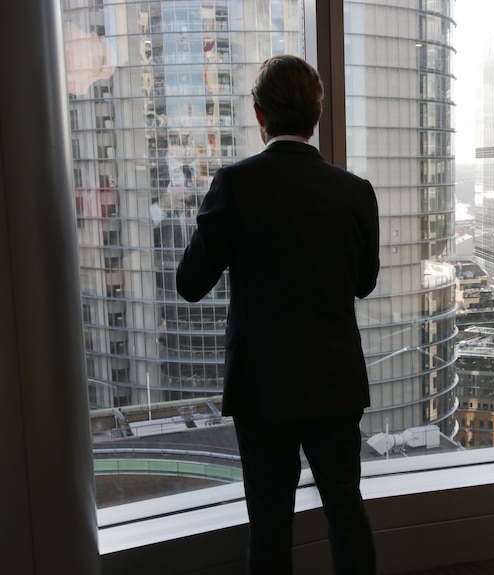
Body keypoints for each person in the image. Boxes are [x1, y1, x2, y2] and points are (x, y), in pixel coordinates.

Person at [176, 54, 379, 575]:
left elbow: (189, 285)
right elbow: (364, 284)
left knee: (269, 522)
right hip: (335, 382)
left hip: (264, 387)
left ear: (259, 114)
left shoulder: (236, 185)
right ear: (317, 114)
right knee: (346, 511)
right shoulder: (356, 192)